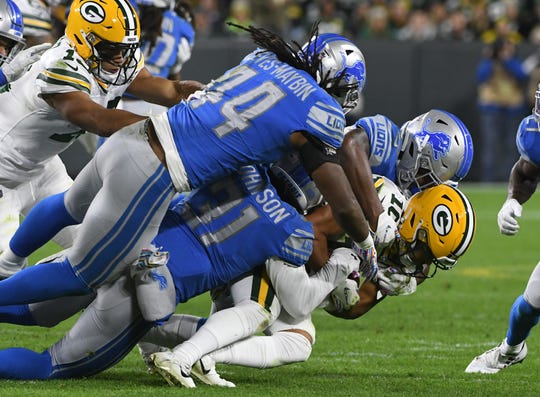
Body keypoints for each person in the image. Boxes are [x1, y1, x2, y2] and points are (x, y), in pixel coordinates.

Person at [0, 25, 377, 308]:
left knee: (70, 205)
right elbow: (342, 204)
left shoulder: (263, 60)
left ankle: (11, 262)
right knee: (83, 274)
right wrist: (366, 244)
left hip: (129, 145)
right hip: (154, 167)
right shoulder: (317, 110)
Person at [0, 165, 360, 380]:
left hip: (118, 245)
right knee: (50, 365)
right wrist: (337, 268)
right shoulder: (293, 230)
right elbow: (297, 302)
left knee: (33, 310)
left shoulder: (239, 167)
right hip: (149, 285)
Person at [142, 180, 476, 388]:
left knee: (299, 342)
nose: (421, 262)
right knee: (277, 308)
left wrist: (364, 290)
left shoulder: (405, 264)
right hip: (279, 238)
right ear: (417, 222)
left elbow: (352, 306)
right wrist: (332, 272)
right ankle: (185, 355)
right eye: (423, 250)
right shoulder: (382, 202)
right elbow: (308, 228)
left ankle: (195, 351)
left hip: (296, 268)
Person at [0, 0, 202, 277]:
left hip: (43, 168)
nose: (120, 57)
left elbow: (157, 86)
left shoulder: (114, 54)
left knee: (99, 250)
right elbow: (99, 120)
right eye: (111, 48)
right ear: (84, 40)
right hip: (2, 173)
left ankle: (54, 290)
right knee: (4, 273)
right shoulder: (59, 65)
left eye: (124, 48)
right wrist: (171, 127)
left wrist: (192, 93)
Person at [464, 85, 540, 374]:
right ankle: (510, 349)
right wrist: (513, 201)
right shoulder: (536, 138)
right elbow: (526, 171)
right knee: (532, 301)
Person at [476, 36, 528, 182]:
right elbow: (480, 77)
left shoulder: (515, 62)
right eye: (503, 48)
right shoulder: (488, 63)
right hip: (492, 110)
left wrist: (507, 60)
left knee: (512, 147)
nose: (505, 51)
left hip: (512, 110)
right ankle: (488, 181)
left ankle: (509, 180)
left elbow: (522, 75)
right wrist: (491, 58)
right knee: (490, 147)